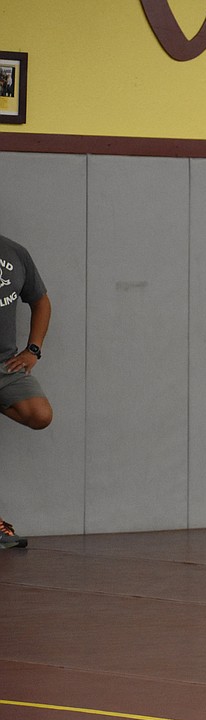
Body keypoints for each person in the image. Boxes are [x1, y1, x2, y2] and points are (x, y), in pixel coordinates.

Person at [0, 233, 53, 550]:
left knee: (40, 415)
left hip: (5, 366)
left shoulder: (15, 252)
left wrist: (33, 350)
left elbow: (41, 301)